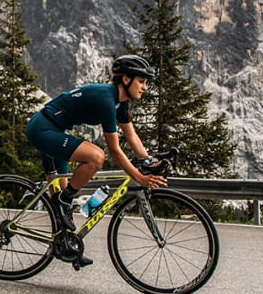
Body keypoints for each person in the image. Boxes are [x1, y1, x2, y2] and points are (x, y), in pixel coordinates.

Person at [25, 54, 168, 267]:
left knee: (62, 212)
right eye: (141, 81)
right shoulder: (106, 100)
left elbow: (131, 137)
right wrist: (138, 176)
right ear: (126, 79)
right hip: (43, 129)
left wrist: (148, 160)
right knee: (95, 156)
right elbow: (114, 150)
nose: (145, 87)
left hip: (53, 130)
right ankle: (63, 200)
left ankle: (67, 246)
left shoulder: (121, 104)